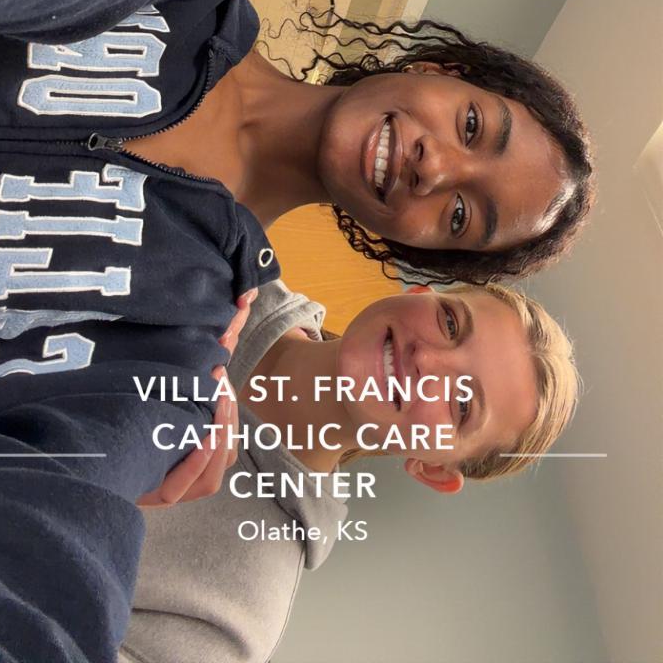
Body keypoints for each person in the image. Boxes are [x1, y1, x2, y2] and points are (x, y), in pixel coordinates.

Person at [0, 0, 587, 661]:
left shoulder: (174, 352)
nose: (437, 166)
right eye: (473, 125)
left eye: (462, 215)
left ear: (421, 252)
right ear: (440, 71)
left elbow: (39, 543)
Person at [122, 277, 579, 663]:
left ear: (434, 469)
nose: (427, 359)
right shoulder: (231, 260)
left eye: (462, 403)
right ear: (420, 294)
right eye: (451, 323)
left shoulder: (233, 613)